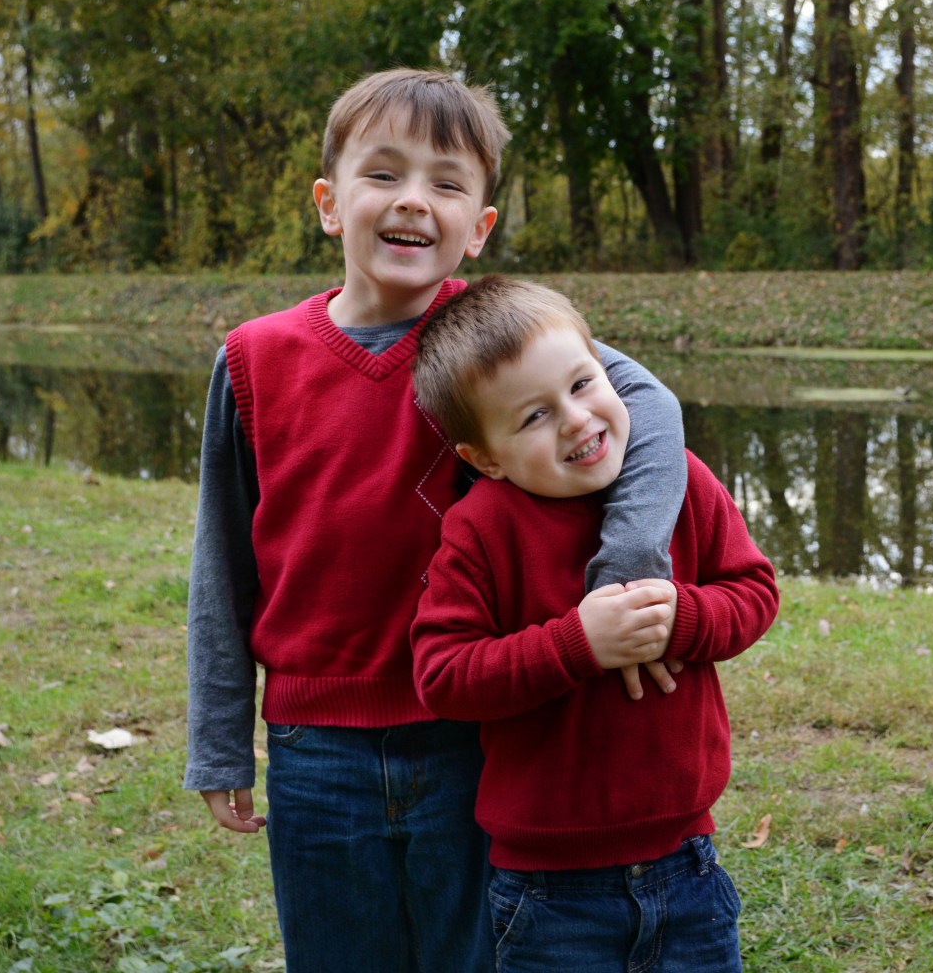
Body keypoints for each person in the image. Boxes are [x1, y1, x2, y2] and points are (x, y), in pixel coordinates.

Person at [182, 70, 690, 973]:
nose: (414, 200)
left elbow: (647, 406)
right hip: (314, 746)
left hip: (473, 733)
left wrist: (628, 564)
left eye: (447, 183)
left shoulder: (497, 341)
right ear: (329, 203)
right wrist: (220, 741)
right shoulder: (255, 358)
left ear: (479, 227)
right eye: (384, 174)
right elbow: (223, 560)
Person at [411, 276, 780, 973]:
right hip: (548, 893)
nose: (577, 420)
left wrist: (684, 618)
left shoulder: (681, 481)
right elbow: (446, 675)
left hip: (688, 866)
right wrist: (577, 643)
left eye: (583, 384)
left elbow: (754, 591)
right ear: (484, 458)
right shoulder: (482, 529)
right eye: (534, 416)